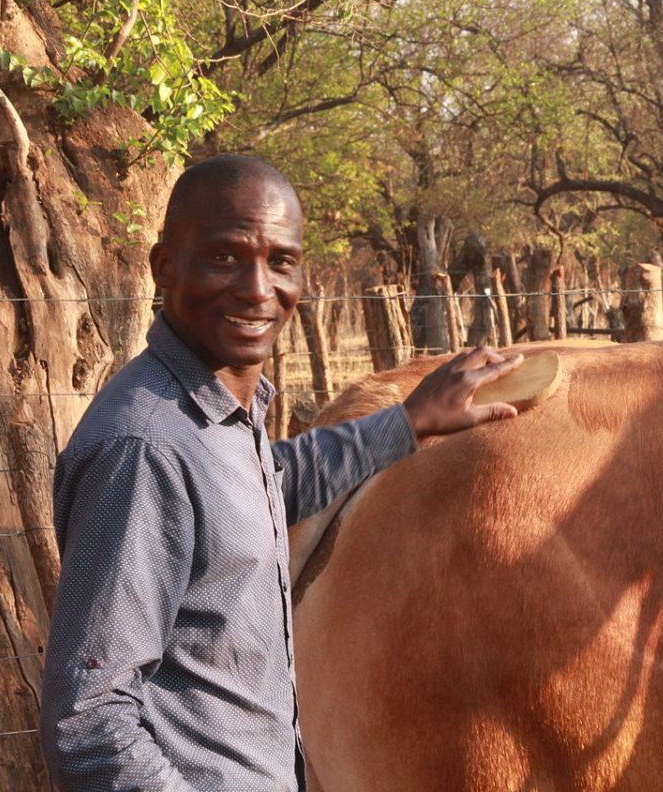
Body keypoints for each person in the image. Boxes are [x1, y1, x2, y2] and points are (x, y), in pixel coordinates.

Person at [39, 154, 523, 791]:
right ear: (164, 266)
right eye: (223, 257)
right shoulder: (146, 448)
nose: (257, 289)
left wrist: (409, 422)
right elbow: (89, 718)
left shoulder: (211, 420)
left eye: (281, 261)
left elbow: (265, 481)